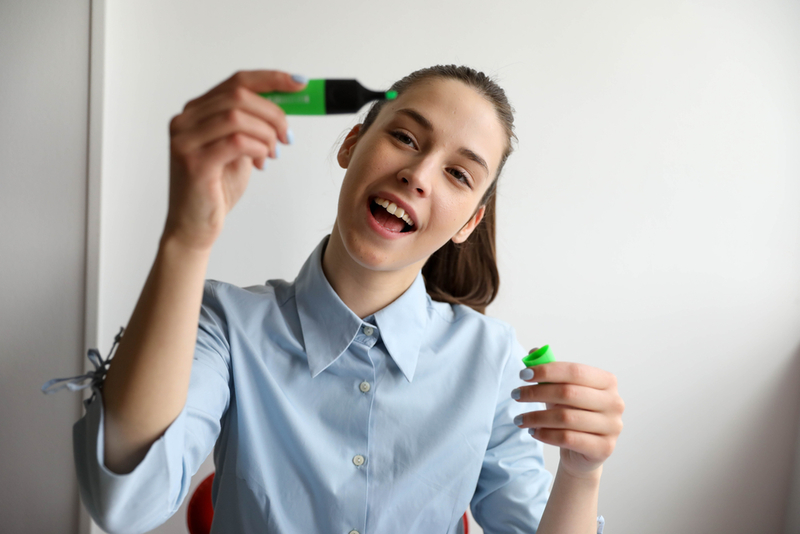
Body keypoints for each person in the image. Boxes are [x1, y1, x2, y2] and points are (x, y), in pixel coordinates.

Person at [71, 66, 624, 534]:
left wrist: (580, 472)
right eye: (406, 138)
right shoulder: (226, 324)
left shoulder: (494, 360)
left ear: (469, 223)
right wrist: (186, 237)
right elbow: (125, 503)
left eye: (458, 173)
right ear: (351, 144)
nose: (419, 174)